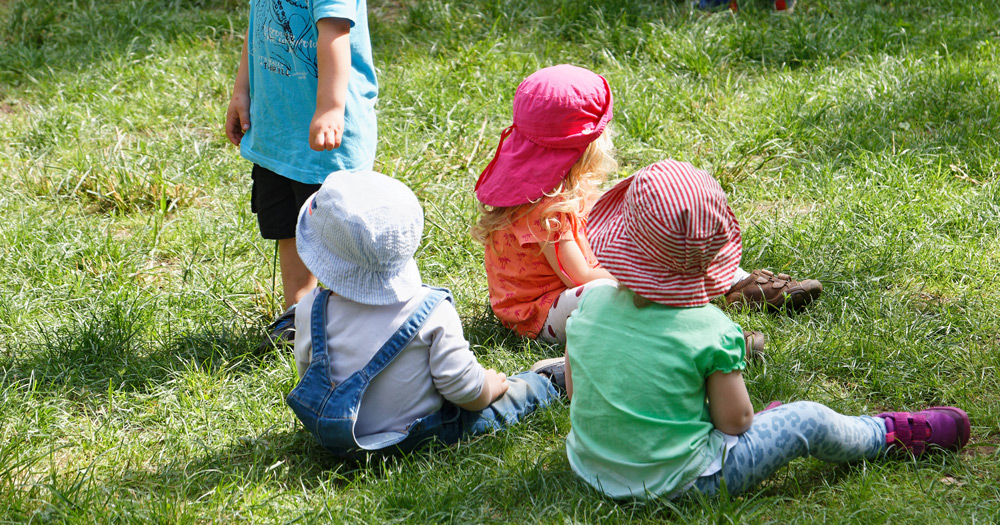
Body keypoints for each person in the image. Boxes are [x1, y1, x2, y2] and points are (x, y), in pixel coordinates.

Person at [538, 161, 970, 499]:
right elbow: (736, 423)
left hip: (592, 470)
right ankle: (885, 434)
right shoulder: (710, 328)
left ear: (621, 240)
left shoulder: (589, 303)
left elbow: (576, 392)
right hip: (684, 482)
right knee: (808, 419)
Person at [471, 64, 819, 346]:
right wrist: (644, 274)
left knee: (668, 219)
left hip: (582, 279)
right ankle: (698, 342)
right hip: (544, 310)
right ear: (583, 146)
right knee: (606, 292)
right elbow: (579, 276)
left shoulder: (562, 183)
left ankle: (737, 285)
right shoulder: (545, 209)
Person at [286, 170, 562, 457]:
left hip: (335, 436)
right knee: (512, 397)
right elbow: (464, 392)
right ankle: (550, 381)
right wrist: (488, 387)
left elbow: (312, 374)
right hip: (413, 439)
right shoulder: (430, 311)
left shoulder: (309, 308)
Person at [224, 0, 378, 350]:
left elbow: (335, 33)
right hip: (278, 130)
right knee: (289, 225)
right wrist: (241, 91)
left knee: (337, 231)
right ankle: (298, 313)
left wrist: (330, 108)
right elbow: (258, 27)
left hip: (327, 140)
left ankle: (350, 318)